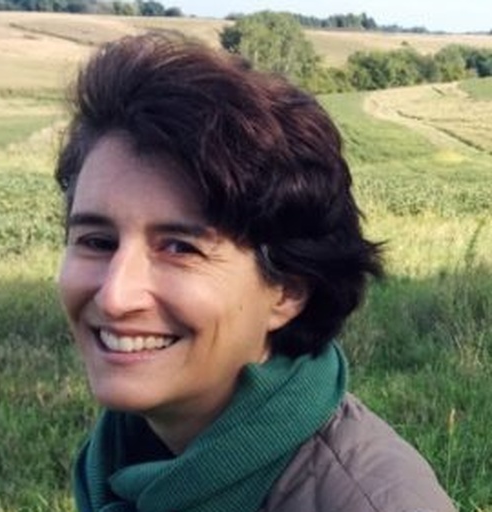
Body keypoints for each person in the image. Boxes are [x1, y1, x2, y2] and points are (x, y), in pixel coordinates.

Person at [55, 32, 456, 512]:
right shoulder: (124, 454)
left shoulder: (371, 502)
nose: (115, 296)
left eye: (180, 248)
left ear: (287, 290)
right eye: (97, 241)